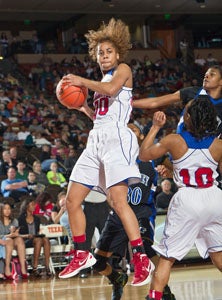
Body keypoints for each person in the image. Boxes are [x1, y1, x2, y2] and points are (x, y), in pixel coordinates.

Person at [58, 18, 154, 286]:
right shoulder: (100, 79)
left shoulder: (123, 70)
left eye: (108, 51)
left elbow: (111, 91)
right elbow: (100, 115)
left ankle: (141, 258)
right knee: (72, 200)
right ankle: (81, 253)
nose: (103, 56)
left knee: (118, 201)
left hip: (117, 138)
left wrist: (80, 81)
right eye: (100, 53)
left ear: (118, 53)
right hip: (97, 138)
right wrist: (83, 109)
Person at [138, 96, 222, 300]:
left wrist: (155, 127)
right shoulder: (219, 144)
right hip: (213, 196)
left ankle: (155, 297)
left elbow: (144, 155)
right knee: (219, 254)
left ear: (190, 117)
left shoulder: (174, 140)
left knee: (167, 258)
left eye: (186, 111)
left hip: (188, 199)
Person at [92, 123, 175, 300]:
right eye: (126, 129)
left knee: (146, 249)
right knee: (97, 262)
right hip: (119, 214)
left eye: (134, 129)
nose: (129, 131)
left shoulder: (152, 155)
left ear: (142, 136)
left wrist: (167, 170)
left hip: (142, 212)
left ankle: (164, 290)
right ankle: (116, 278)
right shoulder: (114, 157)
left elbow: (173, 170)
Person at [133, 65, 222, 138]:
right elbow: (156, 102)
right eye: (206, 74)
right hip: (183, 146)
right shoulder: (193, 92)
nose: (206, 76)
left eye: (212, 74)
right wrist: (130, 103)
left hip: (208, 153)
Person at [18, 196, 52, 277]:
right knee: (38, 240)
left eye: (34, 205)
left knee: (46, 239)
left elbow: (37, 232)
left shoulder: (37, 219)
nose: (34, 206)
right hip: (25, 240)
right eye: (32, 205)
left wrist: (37, 235)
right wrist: (27, 235)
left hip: (35, 239)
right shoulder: (21, 219)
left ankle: (47, 267)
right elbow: (17, 234)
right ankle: (35, 268)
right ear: (27, 206)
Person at [0, 202, 28, 280]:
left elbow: (16, 235)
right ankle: (7, 269)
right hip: (3, 241)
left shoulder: (14, 221)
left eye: (9, 209)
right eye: (5, 209)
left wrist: (15, 234)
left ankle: (23, 268)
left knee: (19, 239)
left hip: (12, 240)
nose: (7, 211)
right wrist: (9, 235)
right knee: (9, 240)